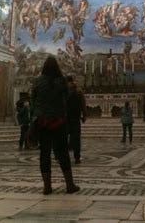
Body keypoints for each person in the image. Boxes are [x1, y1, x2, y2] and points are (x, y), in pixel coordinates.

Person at [31, 55, 80, 195]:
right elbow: (66, 97)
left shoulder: (38, 81)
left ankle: (47, 187)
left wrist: (40, 111)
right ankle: (69, 184)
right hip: (58, 121)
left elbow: (33, 99)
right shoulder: (62, 81)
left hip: (42, 121)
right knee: (63, 152)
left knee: (44, 153)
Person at [66, 75, 87, 164]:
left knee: (63, 137)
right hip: (75, 117)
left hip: (65, 117)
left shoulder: (63, 90)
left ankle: (60, 157)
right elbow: (83, 104)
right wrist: (84, 115)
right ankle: (77, 157)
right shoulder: (78, 91)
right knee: (76, 138)